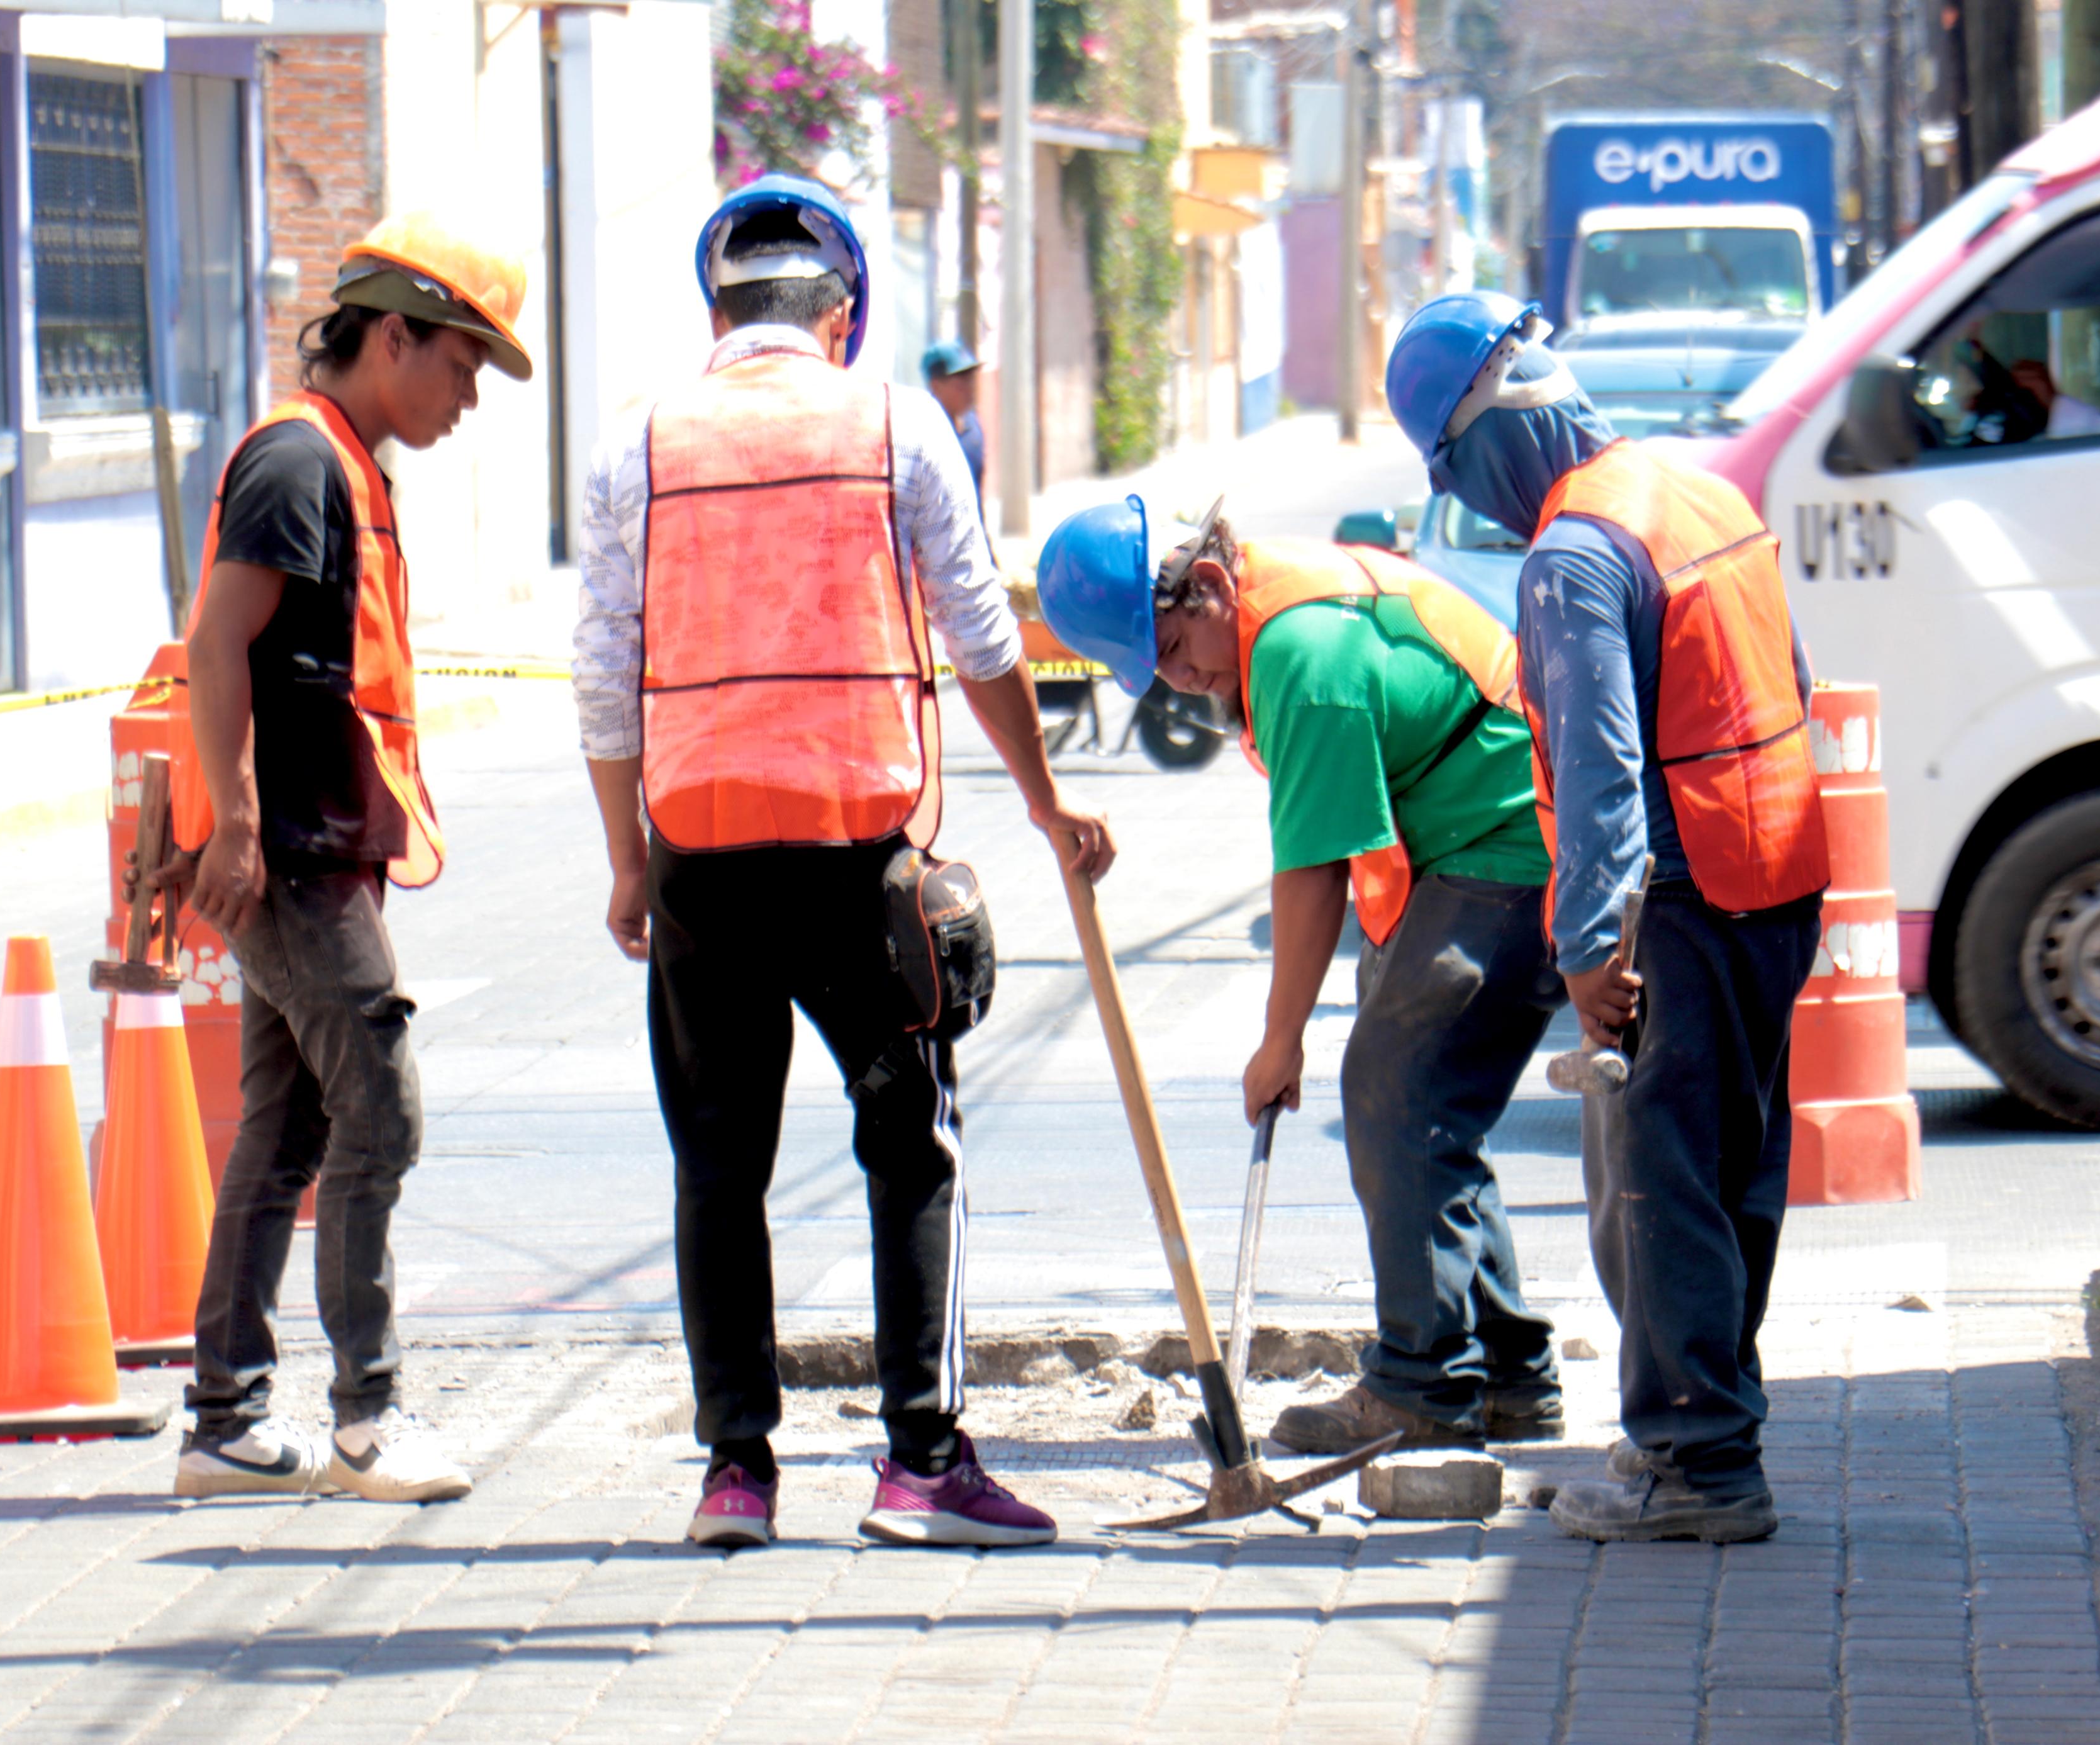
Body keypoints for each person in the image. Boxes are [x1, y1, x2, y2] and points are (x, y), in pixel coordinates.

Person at [574, 176, 1115, 1551]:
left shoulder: (639, 441)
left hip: (698, 854)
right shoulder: (894, 421)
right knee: (910, 1148)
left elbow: (604, 666)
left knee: (717, 1166)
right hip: (858, 858)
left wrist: (627, 859)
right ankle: (921, 1461)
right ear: (841, 315)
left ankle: (736, 1475)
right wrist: (1046, 803)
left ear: (718, 315)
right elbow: (980, 628)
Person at [1388, 291, 1831, 1544]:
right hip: (1777, 877)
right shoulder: (1696, 494)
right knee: (1735, 1174)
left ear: (1481, 441)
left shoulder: (1574, 556)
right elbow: (1790, 681)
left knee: (1664, 1182)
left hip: (1682, 900)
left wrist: (1592, 947)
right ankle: (1714, 1425)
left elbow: (1598, 772)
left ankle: (1698, 1466)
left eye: (1453, 470)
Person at [1033, 495, 1567, 1456]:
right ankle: (1506, 1371)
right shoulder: (1270, 613)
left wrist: (1280, 1041)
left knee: (1399, 1091)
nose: (1177, 680)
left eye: (1171, 648)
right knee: (1429, 1103)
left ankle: (1426, 1385)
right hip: (1470, 838)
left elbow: (1313, 871)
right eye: (1153, 670)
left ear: (1206, 585)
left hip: (1510, 841)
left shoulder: (1299, 655)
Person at [165, 211, 528, 1503]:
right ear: (391, 337)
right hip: (289, 859)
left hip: (317, 850)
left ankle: (224, 1421)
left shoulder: (344, 466)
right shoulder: (297, 461)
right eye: (461, 365)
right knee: (379, 1103)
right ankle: (367, 1417)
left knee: (290, 1126)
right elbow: (218, 642)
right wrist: (239, 822)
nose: (468, 398)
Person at [921, 340, 986, 501]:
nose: (970, 389)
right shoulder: (924, 435)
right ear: (936, 386)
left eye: (971, 380)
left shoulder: (972, 426)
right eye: (961, 383)